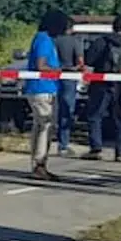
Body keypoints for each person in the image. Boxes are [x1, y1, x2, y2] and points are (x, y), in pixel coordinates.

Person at [23, 9, 71, 181]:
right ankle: (39, 164)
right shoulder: (44, 40)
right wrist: (61, 70)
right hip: (42, 88)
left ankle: (39, 162)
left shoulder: (44, 38)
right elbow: (41, 65)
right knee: (45, 126)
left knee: (41, 126)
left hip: (45, 88)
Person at [82, 15, 121, 162]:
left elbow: (89, 60)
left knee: (95, 115)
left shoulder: (101, 41)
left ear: (113, 27)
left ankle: (96, 148)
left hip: (101, 83)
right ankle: (120, 151)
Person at [53, 18, 85, 157]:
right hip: (69, 77)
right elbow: (80, 62)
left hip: (52, 76)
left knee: (51, 110)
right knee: (66, 110)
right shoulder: (75, 42)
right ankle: (63, 144)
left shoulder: (53, 41)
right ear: (71, 28)